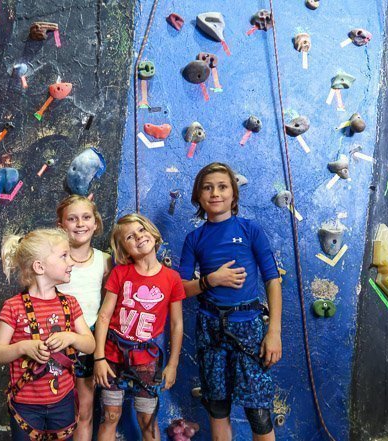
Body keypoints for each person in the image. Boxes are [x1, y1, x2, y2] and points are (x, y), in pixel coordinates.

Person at [179, 162, 282, 441]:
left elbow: (272, 279)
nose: (215, 193)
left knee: (258, 412)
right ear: (198, 196)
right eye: (208, 188)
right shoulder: (194, 238)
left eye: (222, 187)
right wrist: (211, 280)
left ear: (233, 195)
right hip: (210, 329)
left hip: (248, 329)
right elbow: (180, 290)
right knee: (217, 407)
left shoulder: (250, 230)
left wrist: (273, 332)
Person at [0, 228, 96, 441]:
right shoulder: (13, 307)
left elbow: (90, 344)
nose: (71, 262)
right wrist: (22, 347)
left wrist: (71, 337)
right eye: (64, 256)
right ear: (39, 267)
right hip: (26, 406)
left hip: (63, 402)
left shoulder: (70, 304)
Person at [94, 214, 185, 441]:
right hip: (113, 357)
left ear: (153, 233)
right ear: (124, 250)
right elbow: (104, 316)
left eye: (142, 231)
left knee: (147, 420)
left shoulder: (172, 278)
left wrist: (172, 364)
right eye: (130, 237)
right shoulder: (120, 273)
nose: (139, 237)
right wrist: (99, 358)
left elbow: (176, 324)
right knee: (110, 416)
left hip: (147, 361)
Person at [56, 195, 112, 441]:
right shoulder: (55, 259)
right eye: (72, 218)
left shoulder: (104, 260)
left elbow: (105, 310)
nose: (80, 224)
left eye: (86, 217)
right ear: (61, 225)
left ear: (96, 223)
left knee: (84, 411)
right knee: (54, 411)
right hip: (54, 344)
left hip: (87, 345)